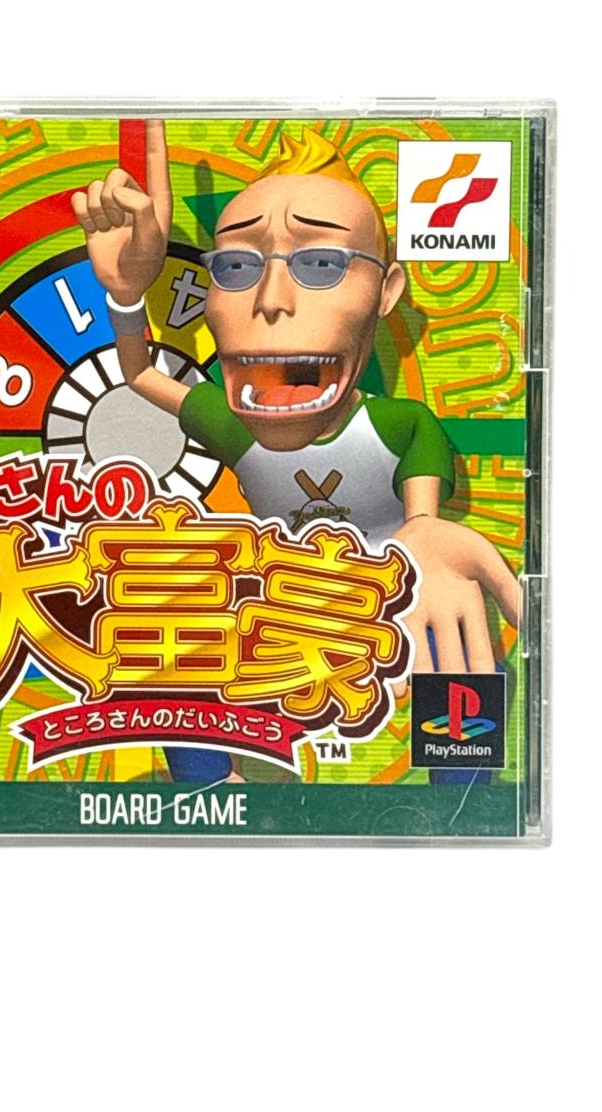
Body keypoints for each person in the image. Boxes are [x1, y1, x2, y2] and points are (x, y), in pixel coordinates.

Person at [72, 120, 520, 781]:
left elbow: (424, 524)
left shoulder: (399, 424)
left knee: (456, 634)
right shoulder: (235, 425)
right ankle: (212, 789)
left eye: (321, 263)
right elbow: (140, 375)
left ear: (387, 291)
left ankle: (462, 796)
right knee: (168, 628)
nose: (272, 300)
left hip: (387, 605)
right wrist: (127, 293)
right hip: (282, 610)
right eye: (236, 266)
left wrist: (423, 537)